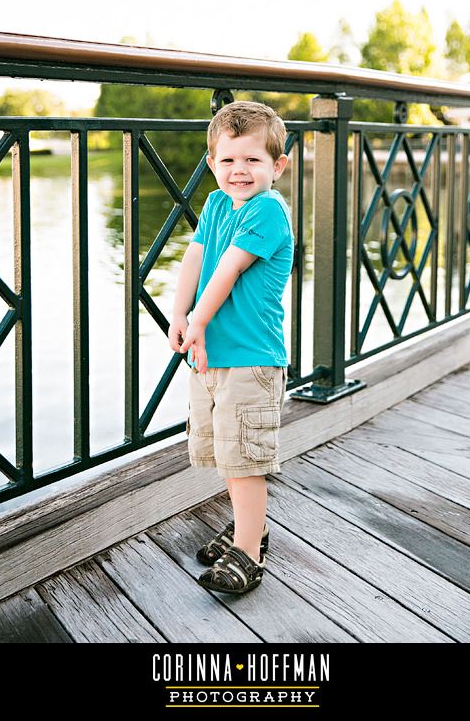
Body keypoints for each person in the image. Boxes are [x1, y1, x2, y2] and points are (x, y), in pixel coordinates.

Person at [168, 100, 294, 595]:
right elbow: (195, 260)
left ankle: (249, 552)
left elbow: (228, 270)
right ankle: (250, 528)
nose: (239, 170)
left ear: (277, 166)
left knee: (245, 462)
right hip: (210, 356)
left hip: (250, 357)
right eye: (228, 160)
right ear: (211, 163)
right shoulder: (219, 204)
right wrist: (179, 314)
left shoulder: (268, 211)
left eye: (253, 160)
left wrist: (197, 320)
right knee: (227, 453)